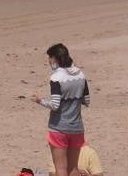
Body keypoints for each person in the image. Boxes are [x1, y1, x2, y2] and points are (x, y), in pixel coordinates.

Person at [32, 42, 91, 176]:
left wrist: (40, 101)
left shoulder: (56, 77)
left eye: (49, 58)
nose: (48, 61)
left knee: (61, 169)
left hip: (59, 127)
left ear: (55, 59)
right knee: (74, 168)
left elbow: (55, 105)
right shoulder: (81, 75)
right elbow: (86, 101)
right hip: (76, 127)